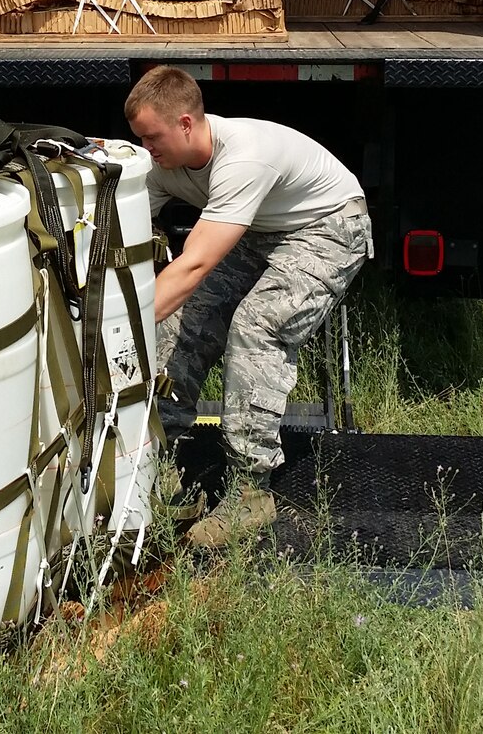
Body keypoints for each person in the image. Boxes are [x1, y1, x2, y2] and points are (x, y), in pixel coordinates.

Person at [124, 67, 372, 547]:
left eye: (152, 137)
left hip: (329, 227)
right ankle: (160, 464)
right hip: (263, 230)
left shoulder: (242, 160)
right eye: (139, 138)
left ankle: (250, 493)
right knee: (183, 319)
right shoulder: (163, 168)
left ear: (185, 124)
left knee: (256, 327)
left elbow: (193, 265)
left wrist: (119, 323)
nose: (146, 149)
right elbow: (124, 233)